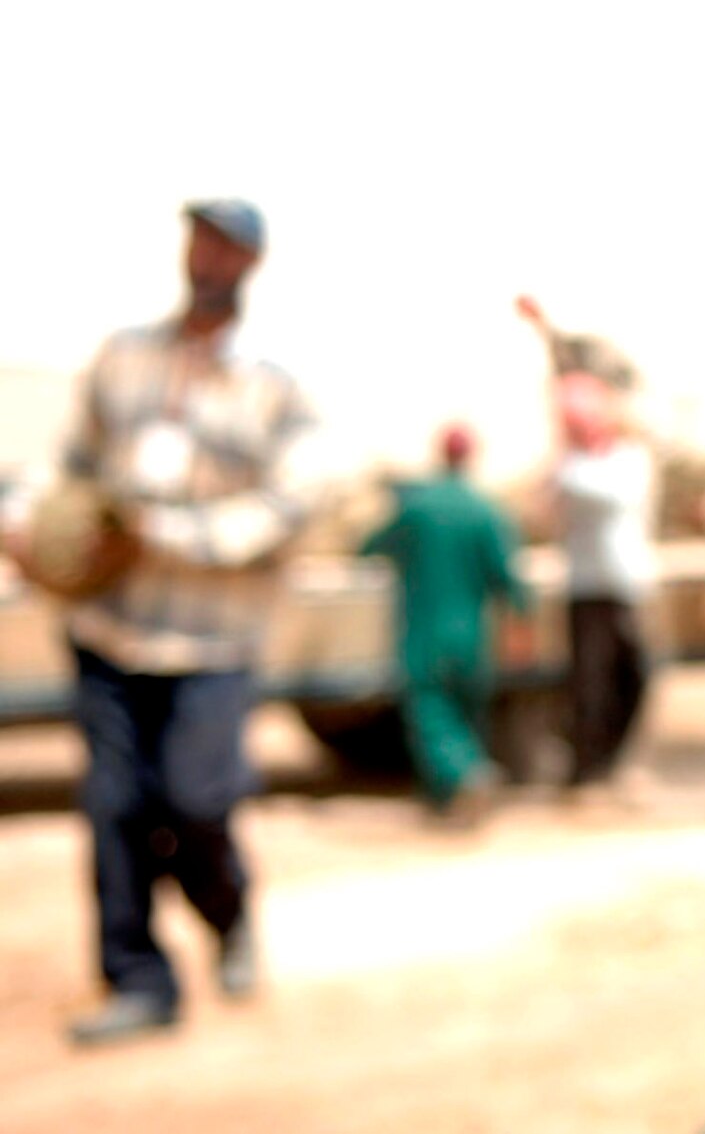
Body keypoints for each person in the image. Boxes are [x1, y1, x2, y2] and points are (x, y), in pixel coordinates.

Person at [2, 200, 325, 1045]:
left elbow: (286, 506)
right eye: (199, 238)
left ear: (249, 262)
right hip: (110, 629)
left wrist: (171, 537)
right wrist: (30, 522)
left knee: (195, 800)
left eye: (225, 244)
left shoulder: (275, 386)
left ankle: (228, 910)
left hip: (210, 641)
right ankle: (139, 979)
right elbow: (71, 465)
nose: (206, 255)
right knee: (112, 806)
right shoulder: (126, 358)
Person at [359, 424, 530, 822]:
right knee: (468, 714)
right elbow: (507, 577)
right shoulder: (486, 510)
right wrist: (522, 623)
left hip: (424, 631)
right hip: (472, 633)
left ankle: (464, 776)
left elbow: (369, 547)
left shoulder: (417, 508)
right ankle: (451, 796)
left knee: (430, 711)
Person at [549, 369, 654, 789]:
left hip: (624, 583)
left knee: (636, 675)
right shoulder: (569, 466)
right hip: (586, 587)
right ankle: (587, 769)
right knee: (590, 684)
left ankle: (610, 758)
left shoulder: (628, 459)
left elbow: (615, 496)